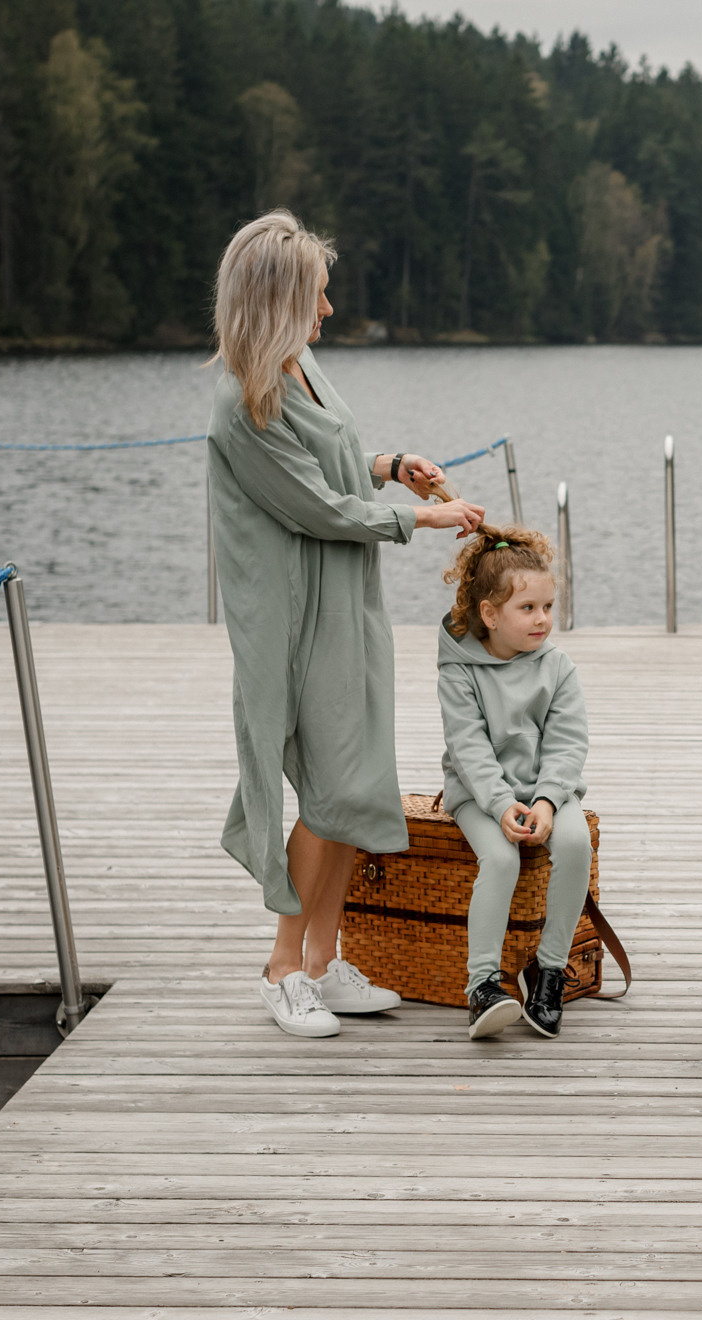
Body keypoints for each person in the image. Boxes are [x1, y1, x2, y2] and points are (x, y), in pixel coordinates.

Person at [208, 210, 486, 1039]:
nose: (328, 311)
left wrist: (392, 467)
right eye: (318, 297)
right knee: (325, 787)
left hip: (343, 595)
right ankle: (282, 967)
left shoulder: (299, 369)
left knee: (352, 776)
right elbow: (316, 505)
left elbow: (333, 467)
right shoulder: (240, 403)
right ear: (279, 300)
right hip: (292, 609)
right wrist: (421, 520)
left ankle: (326, 964)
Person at [436, 526, 591, 1041]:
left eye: (548, 606)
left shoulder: (558, 667)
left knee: (574, 842)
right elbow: (469, 747)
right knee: (501, 858)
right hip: (480, 796)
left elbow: (567, 743)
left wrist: (547, 800)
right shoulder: (459, 670)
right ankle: (482, 983)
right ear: (489, 614)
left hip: (547, 788)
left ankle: (547, 972)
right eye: (528, 608)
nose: (543, 619)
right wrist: (502, 805)